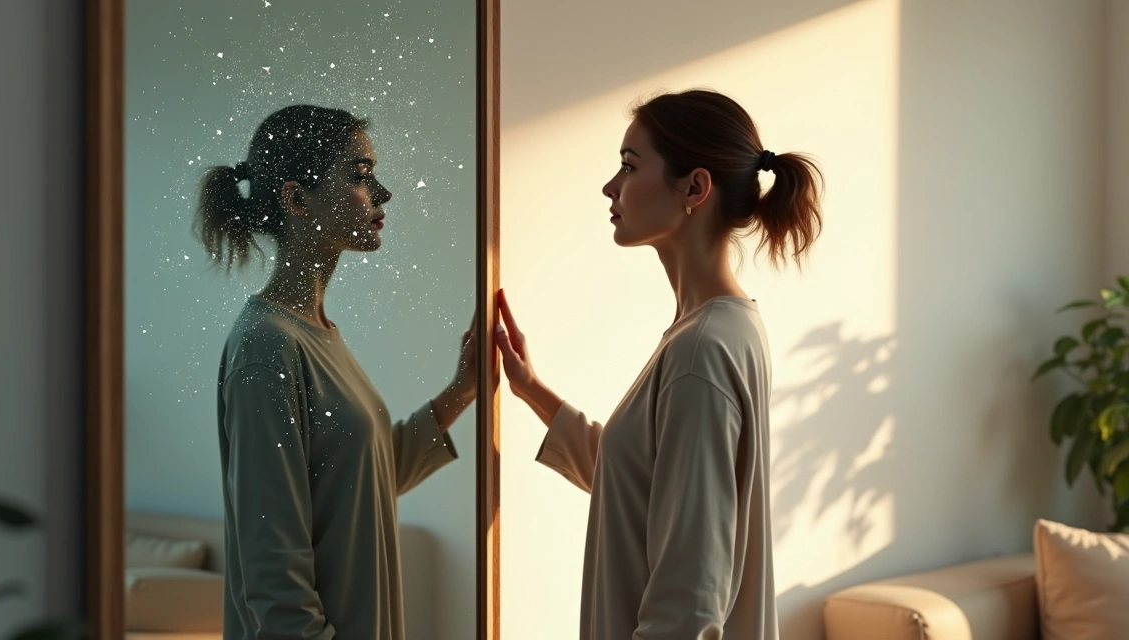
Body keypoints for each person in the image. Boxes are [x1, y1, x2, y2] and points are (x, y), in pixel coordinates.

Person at [494, 89, 823, 640]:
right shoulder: (720, 329)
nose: (610, 186)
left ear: (694, 187)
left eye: (628, 166)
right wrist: (531, 390)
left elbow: (687, 606)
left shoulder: (702, 350)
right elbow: (644, 482)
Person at [194, 104, 478, 640]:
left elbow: (362, 480)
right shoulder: (267, 350)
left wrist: (462, 390)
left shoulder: (316, 333)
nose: (383, 194)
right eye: (362, 176)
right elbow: (272, 568)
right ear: (298, 199)